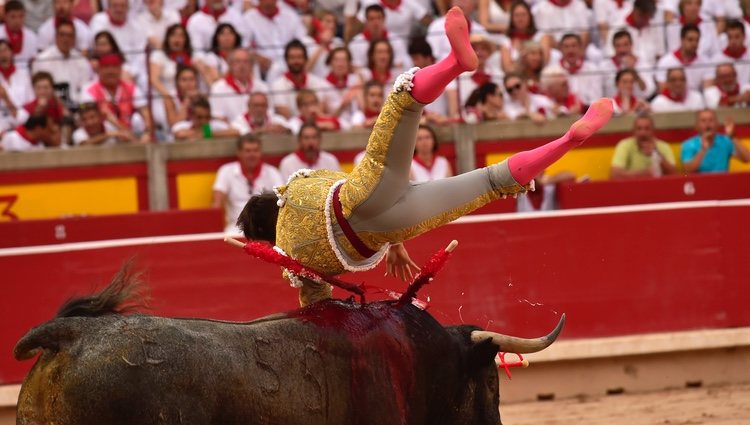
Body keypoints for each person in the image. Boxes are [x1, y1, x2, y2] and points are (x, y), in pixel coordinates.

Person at [236, 7, 614, 306]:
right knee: (404, 102)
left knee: (491, 182)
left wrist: (390, 243)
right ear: (271, 198)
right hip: (367, 191)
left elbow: (315, 306)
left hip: (393, 224)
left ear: (266, 239)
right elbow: (331, 186)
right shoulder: (296, 187)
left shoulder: (297, 265)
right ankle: (455, 64)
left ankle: (566, 141)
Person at [213, 133, 284, 233]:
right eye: (247, 151)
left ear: (260, 152)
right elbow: (217, 203)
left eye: (255, 150)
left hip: (265, 230)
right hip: (235, 229)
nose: (252, 155)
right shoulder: (226, 171)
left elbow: (282, 202)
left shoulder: (272, 173)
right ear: (239, 153)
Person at [681, 109, 750, 173]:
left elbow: (747, 158)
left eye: (711, 120)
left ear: (717, 124)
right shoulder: (689, 144)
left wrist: (732, 136)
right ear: (696, 126)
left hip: (723, 183)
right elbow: (688, 170)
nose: (707, 124)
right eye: (703, 121)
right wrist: (703, 150)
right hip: (700, 184)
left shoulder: (725, 141)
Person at [610, 114, 677, 179]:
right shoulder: (624, 145)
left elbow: (674, 174)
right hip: (632, 188)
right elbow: (615, 175)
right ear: (633, 131)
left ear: (653, 130)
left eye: (647, 128)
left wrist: (657, 154)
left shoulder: (663, 146)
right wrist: (645, 173)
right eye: (639, 128)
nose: (643, 133)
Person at [171, 95, 239, 141]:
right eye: (199, 117)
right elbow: (179, 135)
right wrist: (206, 134)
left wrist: (208, 133)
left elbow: (235, 132)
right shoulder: (181, 125)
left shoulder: (216, 125)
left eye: (207, 117)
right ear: (192, 116)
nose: (204, 121)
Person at [72, 102, 136, 146]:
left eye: (92, 117)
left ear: (100, 117)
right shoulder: (78, 133)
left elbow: (132, 138)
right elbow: (85, 144)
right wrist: (110, 135)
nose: (89, 122)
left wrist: (111, 119)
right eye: (84, 119)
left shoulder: (110, 127)